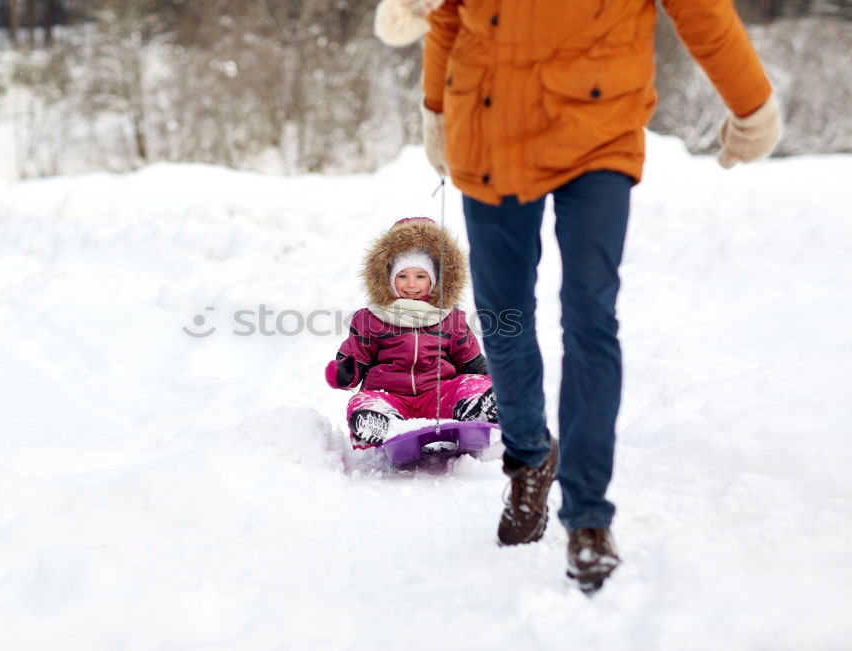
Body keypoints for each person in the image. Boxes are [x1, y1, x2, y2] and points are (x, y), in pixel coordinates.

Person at [375, 0, 783, 592]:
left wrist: (751, 103)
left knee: (591, 316)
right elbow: (446, 14)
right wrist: (436, 110)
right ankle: (529, 456)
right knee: (505, 317)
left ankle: (589, 518)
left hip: (598, 129)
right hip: (491, 128)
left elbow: (701, 9)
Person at [325, 217, 497, 448]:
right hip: (389, 395)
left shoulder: (449, 317)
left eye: (420, 276)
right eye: (402, 276)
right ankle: (379, 423)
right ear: (388, 279)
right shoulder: (372, 318)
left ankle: (476, 408)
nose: (411, 285)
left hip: (438, 395)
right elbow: (357, 357)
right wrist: (344, 372)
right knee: (364, 400)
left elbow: (470, 360)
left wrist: (490, 380)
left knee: (471, 383)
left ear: (435, 280)